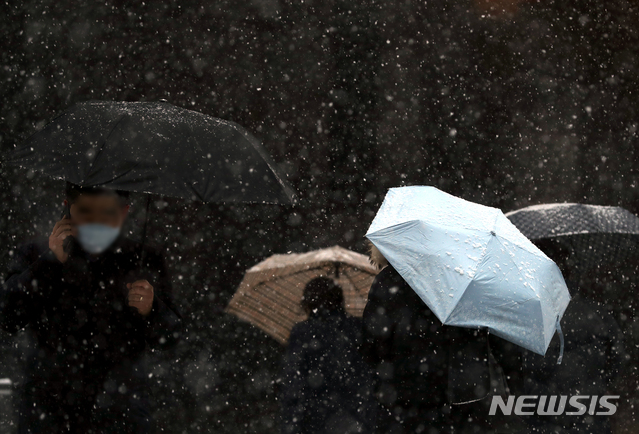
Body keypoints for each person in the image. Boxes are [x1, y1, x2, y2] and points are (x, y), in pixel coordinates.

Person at [0, 182, 182, 433]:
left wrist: (151, 308)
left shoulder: (143, 259)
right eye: (86, 211)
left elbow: (170, 337)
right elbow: (8, 317)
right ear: (67, 210)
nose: (96, 221)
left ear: (124, 211)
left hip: (119, 412)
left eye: (106, 212)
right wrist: (48, 265)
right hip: (49, 410)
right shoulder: (36, 254)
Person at [362, 244, 514, 434]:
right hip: (462, 392)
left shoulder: (388, 282)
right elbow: (489, 331)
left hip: (407, 396)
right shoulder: (461, 278)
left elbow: (372, 343)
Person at [504, 239, 627, 434]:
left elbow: (514, 365)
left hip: (543, 415)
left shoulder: (525, 316)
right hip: (591, 412)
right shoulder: (596, 312)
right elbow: (618, 359)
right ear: (570, 270)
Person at [280, 277, 378, 434]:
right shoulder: (359, 329)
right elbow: (368, 378)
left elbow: (294, 385)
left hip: (314, 422)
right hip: (355, 421)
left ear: (309, 302)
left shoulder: (303, 333)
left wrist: (291, 424)